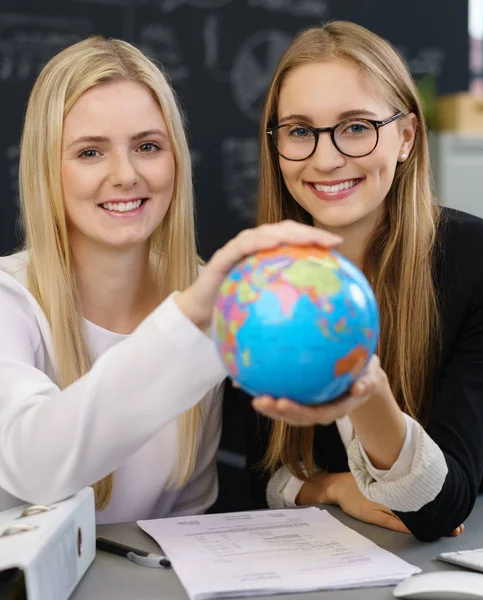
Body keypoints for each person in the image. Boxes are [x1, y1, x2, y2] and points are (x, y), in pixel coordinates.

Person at [233, 20, 483, 542]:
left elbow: (434, 513)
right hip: (360, 551)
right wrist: (335, 487)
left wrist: (358, 383)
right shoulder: (259, 275)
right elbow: (259, 473)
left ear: (405, 138)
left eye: (356, 127)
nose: (326, 157)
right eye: (299, 131)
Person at [0, 35, 345, 523]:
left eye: (147, 146)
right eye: (90, 153)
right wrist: (187, 320)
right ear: (45, 169)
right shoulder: (9, 300)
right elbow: (33, 465)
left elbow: (188, 511)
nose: (126, 175)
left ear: (176, 159)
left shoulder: (204, 293)